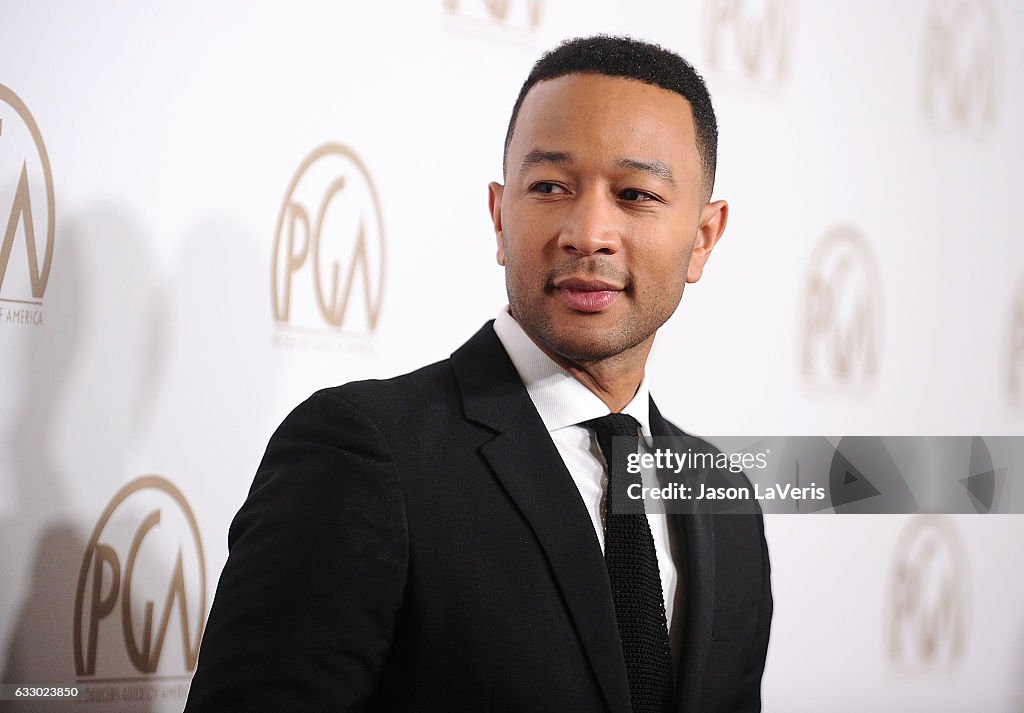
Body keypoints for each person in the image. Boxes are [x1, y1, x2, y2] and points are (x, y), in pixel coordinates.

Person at [184, 35, 771, 713]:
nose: (589, 231)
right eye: (550, 186)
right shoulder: (364, 454)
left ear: (703, 238)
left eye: (636, 194)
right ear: (499, 216)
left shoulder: (725, 498)